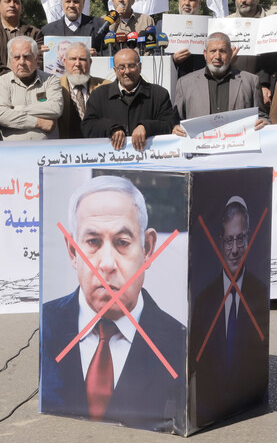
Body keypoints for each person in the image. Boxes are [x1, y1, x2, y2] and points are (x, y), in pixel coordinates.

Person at [39, 175, 185, 430]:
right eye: (93, 242)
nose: (106, 264)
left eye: (122, 243)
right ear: (73, 251)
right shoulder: (46, 324)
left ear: (148, 249)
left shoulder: (180, 345)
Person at [190, 196, 269, 427]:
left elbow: (260, 362)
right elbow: (197, 363)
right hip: (208, 418)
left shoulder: (259, 293)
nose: (235, 250)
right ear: (220, 242)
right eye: (229, 240)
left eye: (241, 239)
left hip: (249, 416)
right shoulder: (203, 301)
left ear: (249, 237)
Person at [171, 32, 269, 132]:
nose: (217, 56)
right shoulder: (185, 83)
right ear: (205, 54)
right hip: (201, 145)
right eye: (213, 51)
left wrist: (264, 122)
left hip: (237, 145)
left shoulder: (250, 81)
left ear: (230, 53)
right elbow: (176, 121)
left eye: (222, 51)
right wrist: (174, 128)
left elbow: (262, 116)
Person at [82, 48, 174, 150]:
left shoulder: (159, 94)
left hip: (147, 160)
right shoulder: (99, 95)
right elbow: (87, 126)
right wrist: (112, 128)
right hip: (111, 162)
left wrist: (146, 127)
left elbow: (169, 124)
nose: (127, 71)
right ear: (115, 71)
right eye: (121, 67)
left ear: (140, 67)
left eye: (131, 66)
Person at [0, 36, 62, 140]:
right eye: (16, 57)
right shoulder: (2, 82)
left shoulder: (51, 80)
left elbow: (55, 109)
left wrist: (16, 109)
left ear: (36, 58)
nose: (22, 62)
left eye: (26, 56)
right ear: (10, 59)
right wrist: (38, 123)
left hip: (47, 152)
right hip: (12, 152)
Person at [227, 0, 274, 107]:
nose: (243, 0)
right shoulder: (225, 24)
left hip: (263, 89)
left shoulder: (270, 24)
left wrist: (265, 85)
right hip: (232, 85)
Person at [0, 0, 44, 81]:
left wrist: (25, 76)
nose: (12, 5)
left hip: (28, 83)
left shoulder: (34, 32)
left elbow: (38, 59)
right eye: (7, 1)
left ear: (22, 8)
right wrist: (11, 77)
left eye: (16, 2)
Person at [58, 43, 109, 139]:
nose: (77, 64)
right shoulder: (54, 87)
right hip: (64, 148)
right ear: (64, 62)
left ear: (90, 62)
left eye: (82, 59)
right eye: (73, 59)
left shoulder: (106, 86)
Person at [40, 0, 105, 53]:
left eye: (76, 1)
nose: (71, 5)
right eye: (68, 1)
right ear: (62, 3)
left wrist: (97, 56)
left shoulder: (99, 25)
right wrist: (41, 54)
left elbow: (110, 52)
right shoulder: (47, 31)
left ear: (83, 3)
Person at [171, 0, 206, 78]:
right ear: (179, 1)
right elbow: (157, 54)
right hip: (174, 80)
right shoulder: (164, 25)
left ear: (199, 3)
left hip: (200, 80)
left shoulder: (208, 26)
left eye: (191, 0)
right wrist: (173, 59)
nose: (187, 3)